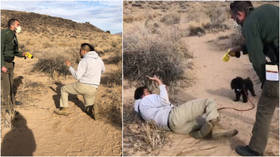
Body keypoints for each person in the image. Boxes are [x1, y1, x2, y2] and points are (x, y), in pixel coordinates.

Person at [229, 1, 279, 156]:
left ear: (240, 14)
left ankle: (255, 149)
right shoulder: (267, 10)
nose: (233, 19)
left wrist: (266, 82)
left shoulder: (249, 23)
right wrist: (242, 48)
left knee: (266, 105)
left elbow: (257, 58)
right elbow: (266, 37)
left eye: (233, 17)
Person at [134, 75, 238, 139]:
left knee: (204, 123)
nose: (150, 92)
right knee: (208, 102)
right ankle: (211, 123)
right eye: (147, 91)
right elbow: (164, 101)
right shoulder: (145, 100)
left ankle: (202, 134)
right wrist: (160, 84)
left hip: (173, 128)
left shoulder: (141, 111)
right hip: (174, 116)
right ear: (143, 95)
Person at [54, 43, 105, 120]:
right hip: (94, 88)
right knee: (88, 107)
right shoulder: (99, 59)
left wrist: (69, 67)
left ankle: (64, 110)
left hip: (83, 86)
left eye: (80, 50)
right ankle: (92, 109)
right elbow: (103, 70)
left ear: (84, 51)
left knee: (63, 89)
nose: (79, 52)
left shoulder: (84, 60)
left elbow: (77, 76)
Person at [1, 18, 27, 127]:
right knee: (6, 88)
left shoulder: (14, 36)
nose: (19, 26)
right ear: (12, 25)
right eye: (18, 24)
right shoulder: (4, 33)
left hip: (11, 64)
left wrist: (23, 54)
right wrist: (1, 65)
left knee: (11, 86)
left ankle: (12, 108)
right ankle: (7, 112)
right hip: (4, 64)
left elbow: (15, 51)